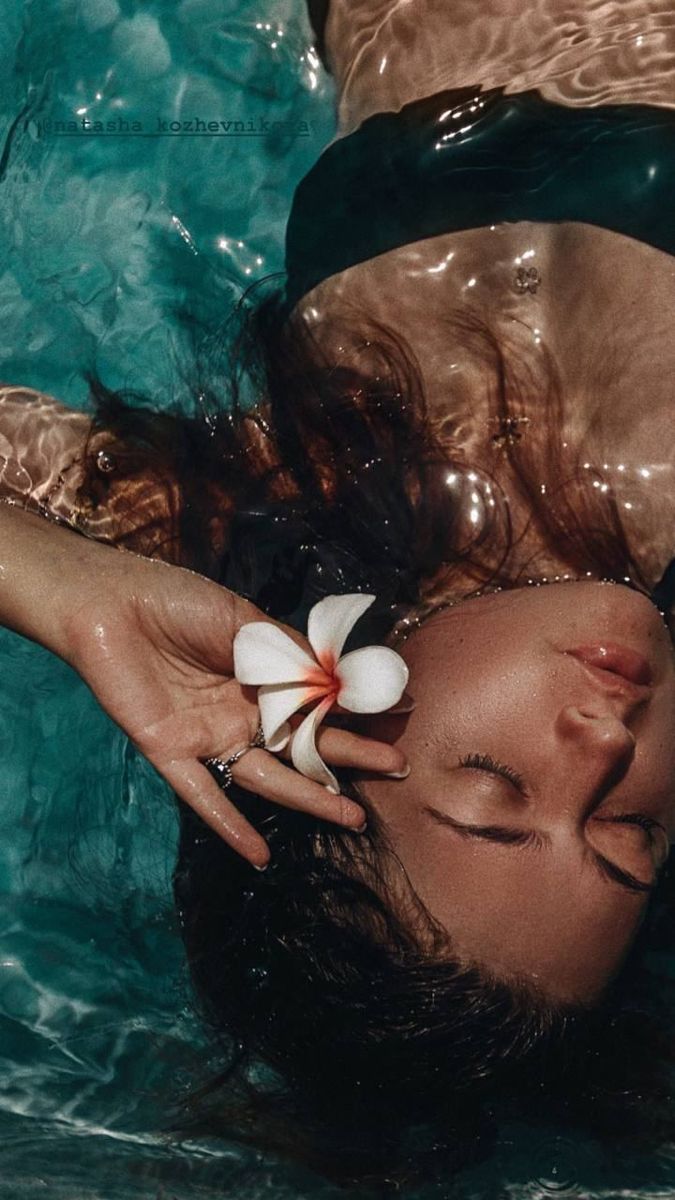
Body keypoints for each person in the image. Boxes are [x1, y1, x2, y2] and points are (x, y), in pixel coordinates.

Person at [3, 0, 675, 1187]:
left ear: (326, 731)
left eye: (497, 787)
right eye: (632, 832)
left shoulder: (274, 496)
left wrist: (68, 592)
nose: (599, 743)